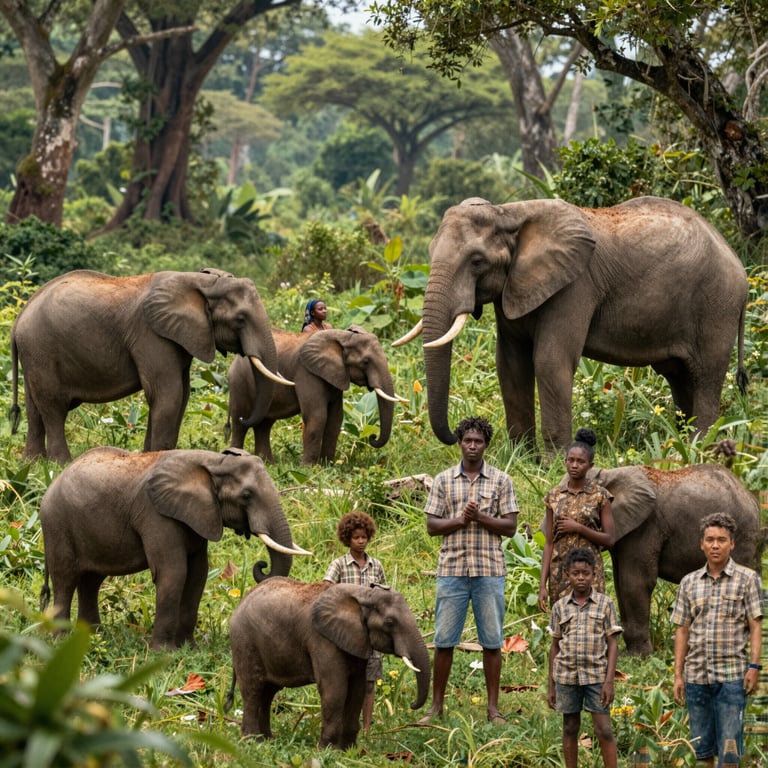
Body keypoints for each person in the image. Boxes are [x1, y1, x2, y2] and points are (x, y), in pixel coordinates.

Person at [419, 416, 519, 724]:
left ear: (486, 445)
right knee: (445, 640)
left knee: (492, 641)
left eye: (478, 441)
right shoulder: (443, 480)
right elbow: (432, 526)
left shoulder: (501, 481)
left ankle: (493, 708)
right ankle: (436, 707)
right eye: (467, 440)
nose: (472, 446)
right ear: (460, 443)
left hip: (489, 571)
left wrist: (481, 518)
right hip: (452, 570)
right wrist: (460, 521)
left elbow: (511, 527)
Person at [671, 512, 763, 767]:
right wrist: (678, 675)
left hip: (731, 678)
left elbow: (755, 626)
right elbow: (682, 630)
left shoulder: (747, 579)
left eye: (721, 540)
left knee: (730, 751)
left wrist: (755, 667)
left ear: (731, 543)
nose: (715, 545)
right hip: (696, 677)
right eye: (710, 539)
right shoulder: (689, 583)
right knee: (701, 751)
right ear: (701, 543)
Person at [547, 546, 621, 768]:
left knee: (604, 729)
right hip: (567, 676)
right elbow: (555, 646)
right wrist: (551, 685)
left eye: (585, 574)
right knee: (570, 726)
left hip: (596, 676)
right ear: (568, 574)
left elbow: (613, 643)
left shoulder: (605, 604)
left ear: (594, 574)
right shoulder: (560, 607)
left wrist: (609, 681)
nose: (580, 578)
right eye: (575, 573)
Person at [539, 428, 615, 611]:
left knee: (593, 621)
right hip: (560, 572)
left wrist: (579, 528)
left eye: (580, 461)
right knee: (563, 623)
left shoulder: (600, 496)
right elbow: (549, 543)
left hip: (590, 573)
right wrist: (542, 585)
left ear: (590, 465)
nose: (574, 465)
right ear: (565, 462)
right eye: (571, 460)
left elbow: (610, 539)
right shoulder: (553, 496)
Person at [323, 510, 386, 733]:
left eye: (364, 537)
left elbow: (383, 595)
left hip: (369, 633)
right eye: (356, 538)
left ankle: (366, 727)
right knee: (342, 680)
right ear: (347, 538)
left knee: (369, 681)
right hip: (344, 630)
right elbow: (325, 590)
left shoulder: (376, 566)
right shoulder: (339, 565)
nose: (361, 542)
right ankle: (342, 723)